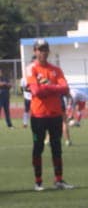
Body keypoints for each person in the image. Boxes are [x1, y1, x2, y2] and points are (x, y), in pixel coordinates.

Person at [25, 41, 73, 191]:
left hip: (55, 115)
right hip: (38, 115)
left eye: (45, 49)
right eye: (40, 50)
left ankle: (58, 180)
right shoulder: (31, 69)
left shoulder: (56, 70)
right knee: (38, 147)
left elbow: (65, 88)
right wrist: (54, 88)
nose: (43, 52)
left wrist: (46, 86)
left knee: (56, 147)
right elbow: (36, 92)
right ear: (35, 51)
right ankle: (38, 182)